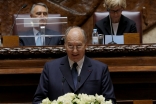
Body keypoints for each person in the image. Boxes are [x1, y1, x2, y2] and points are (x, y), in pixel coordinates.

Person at [33, 26, 116, 104]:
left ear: (85, 45)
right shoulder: (50, 68)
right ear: (65, 45)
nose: (75, 51)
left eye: (79, 46)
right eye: (70, 46)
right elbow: (38, 100)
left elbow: (110, 100)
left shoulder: (100, 69)